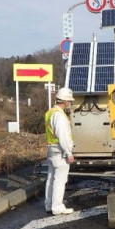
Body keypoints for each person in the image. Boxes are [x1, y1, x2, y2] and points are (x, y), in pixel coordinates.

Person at [44, 87, 76, 215]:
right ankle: (57, 207)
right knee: (60, 180)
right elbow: (62, 136)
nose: (70, 104)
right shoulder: (60, 116)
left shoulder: (50, 113)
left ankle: (49, 204)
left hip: (51, 150)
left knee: (51, 179)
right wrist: (69, 153)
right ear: (65, 101)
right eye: (69, 101)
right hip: (60, 151)